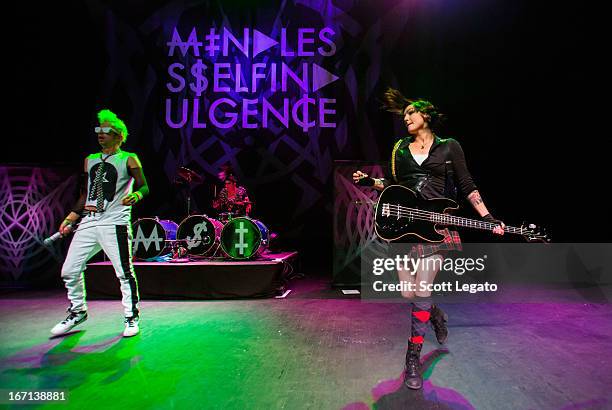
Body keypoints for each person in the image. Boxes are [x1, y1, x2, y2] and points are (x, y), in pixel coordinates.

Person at [353, 88, 505, 389]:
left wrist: (487, 217)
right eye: (404, 115)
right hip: (404, 229)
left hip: (435, 227)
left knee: (421, 291)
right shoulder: (399, 148)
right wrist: (372, 182)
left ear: (426, 116)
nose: (406, 118)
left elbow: (466, 185)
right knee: (410, 294)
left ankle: (412, 357)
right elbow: (393, 184)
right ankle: (435, 313)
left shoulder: (449, 147)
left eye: (411, 113)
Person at [51, 109, 149, 338]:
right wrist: (70, 218)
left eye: (106, 130)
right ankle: (77, 311)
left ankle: (131, 316)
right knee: (69, 270)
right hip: (89, 222)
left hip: (114, 222)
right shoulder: (90, 160)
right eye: (98, 130)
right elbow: (86, 194)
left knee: (124, 272)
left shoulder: (128, 158)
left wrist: (136, 196)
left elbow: (144, 186)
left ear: (118, 134)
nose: (100, 134)